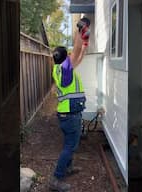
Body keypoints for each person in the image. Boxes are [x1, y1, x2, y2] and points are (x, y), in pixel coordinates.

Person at [49, 17, 90, 192]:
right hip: (70, 115)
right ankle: (56, 179)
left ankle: (68, 167)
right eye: (68, 55)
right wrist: (79, 29)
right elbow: (77, 50)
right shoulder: (65, 69)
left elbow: (79, 55)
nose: (71, 57)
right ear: (65, 58)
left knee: (71, 142)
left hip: (70, 113)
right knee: (70, 146)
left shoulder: (62, 69)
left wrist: (85, 45)